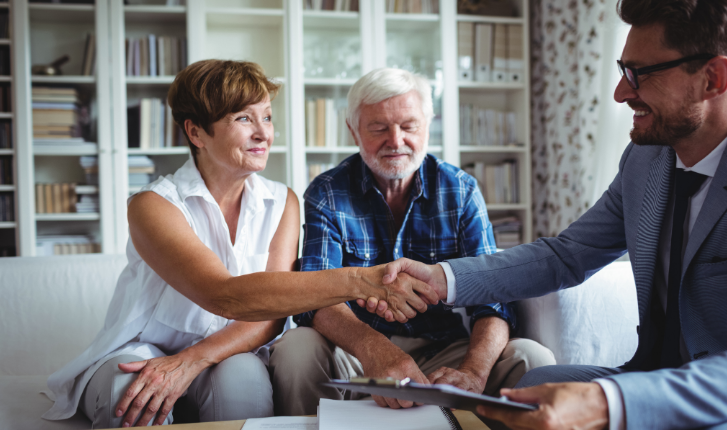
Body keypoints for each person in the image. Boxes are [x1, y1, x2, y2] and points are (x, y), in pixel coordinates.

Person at [378, 0, 727, 428]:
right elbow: (567, 255)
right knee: (532, 389)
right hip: (651, 371)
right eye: (622, 70)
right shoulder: (646, 160)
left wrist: (606, 402)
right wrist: (443, 279)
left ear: (714, 78)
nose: (621, 92)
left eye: (641, 74)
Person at [42, 60, 438, 429]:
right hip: (143, 349)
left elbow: (268, 316)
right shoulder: (152, 206)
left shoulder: (282, 201)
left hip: (228, 349)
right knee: (129, 392)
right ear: (195, 132)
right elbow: (224, 296)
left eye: (266, 117)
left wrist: (192, 362)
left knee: (245, 381)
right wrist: (362, 281)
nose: (263, 132)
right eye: (244, 118)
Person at [268, 68, 555, 416]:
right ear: (353, 131)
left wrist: (473, 372)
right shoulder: (327, 192)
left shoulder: (460, 190)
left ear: (427, 125)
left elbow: (492, 298)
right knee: (296, 348)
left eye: (408, 126)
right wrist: (375, 350)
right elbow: (315, 297)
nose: (396, 140)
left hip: (445, 350)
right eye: (378, 128)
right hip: (355, 349)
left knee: (532, 357)